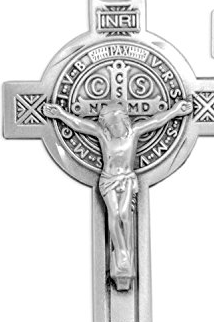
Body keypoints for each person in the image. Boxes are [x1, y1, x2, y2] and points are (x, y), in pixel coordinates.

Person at [43, 98, 193, 290]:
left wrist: (176, 111)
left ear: (124, 120)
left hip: (127, 179)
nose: (113, 128)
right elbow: (79, 124)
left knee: (124, 214)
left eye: (116, 123)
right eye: (110, 125)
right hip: (109, 179)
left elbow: (156, 121)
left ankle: (127, 253)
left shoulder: (134, 133)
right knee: (114, 215)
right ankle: (121, 254)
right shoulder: (103, 135)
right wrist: (60, 114)